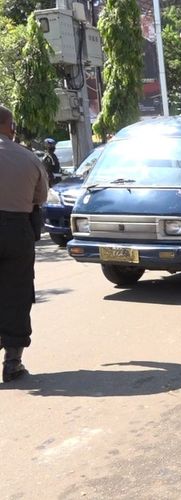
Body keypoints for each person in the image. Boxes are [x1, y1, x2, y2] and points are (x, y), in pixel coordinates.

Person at [0, 105, 48, 383]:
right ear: (10, 127)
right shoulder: (29, 159)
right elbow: (39, 198)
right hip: (18, 230)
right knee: (17, 294)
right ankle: (13, 362)